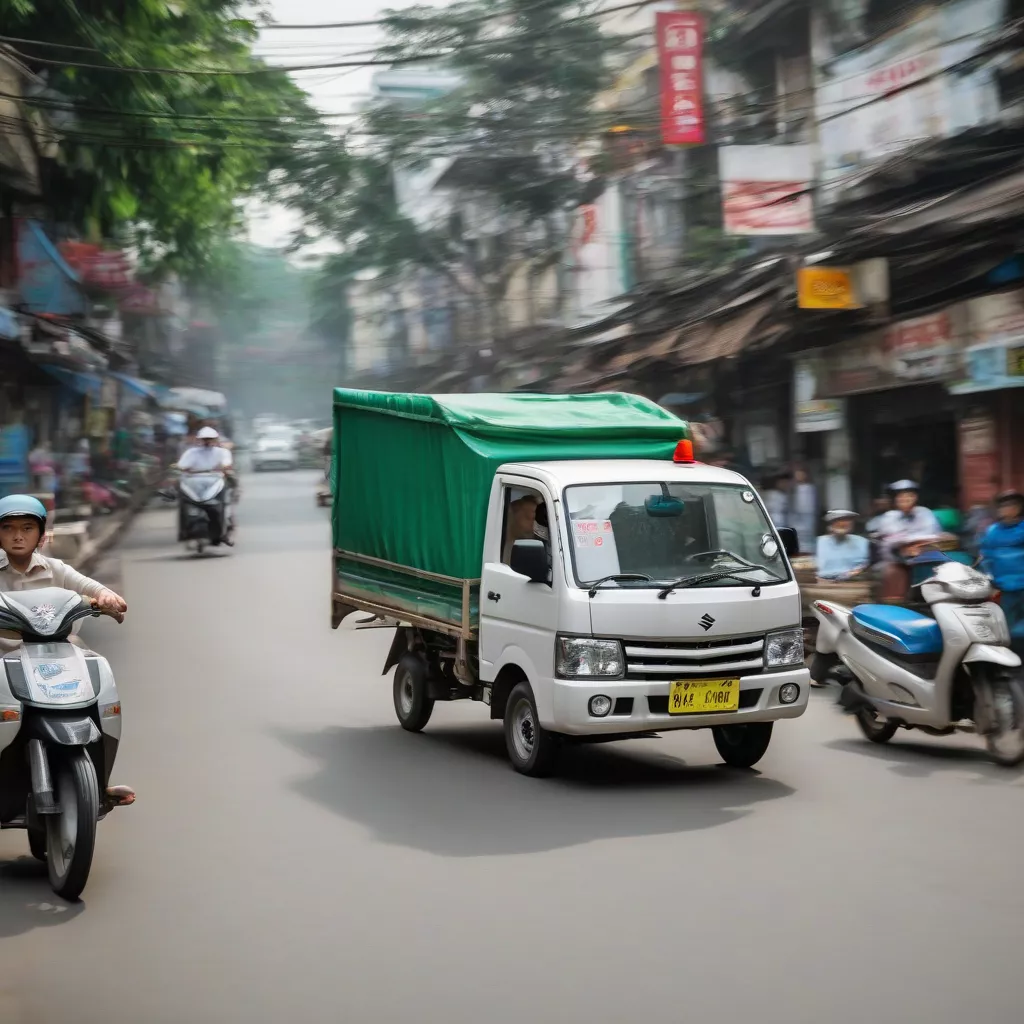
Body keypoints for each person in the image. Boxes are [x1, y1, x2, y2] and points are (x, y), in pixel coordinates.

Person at [0, 495, 134, 809]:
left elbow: (90, 586)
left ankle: (97, 780)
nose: (18, 535)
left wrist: (106, 596)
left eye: (27, 528)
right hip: (4, 655)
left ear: (41, 535)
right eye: (8, 528)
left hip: (54, 652)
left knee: (96, 676)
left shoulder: (55, 568)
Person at [874, 480, 943, 602]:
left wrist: (912, 542)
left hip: (924, 557)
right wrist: (905, 544)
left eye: (909, 495)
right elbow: (890, 540)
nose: (905, 498)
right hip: (897, 559)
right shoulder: (889, 516)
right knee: (892, 573)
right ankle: (896, 606)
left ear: (915, 497)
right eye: (901, 496)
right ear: (895, 499)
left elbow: (933, 536)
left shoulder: (925, 513)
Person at [980, 489, 1024, 656]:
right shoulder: (993, 532)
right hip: (1005, 587)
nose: (1008, 508)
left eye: (1013, 504)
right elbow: (986, 557)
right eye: (1004, 505)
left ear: (1020, 507)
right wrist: (990, 577)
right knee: (1007, 626)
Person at [177, 426, 235, 544]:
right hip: (194, 481)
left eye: (210, 439)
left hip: (216, 481)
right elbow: (182, 465)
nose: (207, 441)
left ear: (215, 440)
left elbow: (226, 464)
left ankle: (224, 529)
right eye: (204, 439)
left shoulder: (222, 452)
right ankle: (184, 530)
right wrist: (183, 468)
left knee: (224, 501)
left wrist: (223, 468)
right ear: (199, 440)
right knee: (181, 499)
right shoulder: (191, 452)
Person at [815, 510, 870, 582]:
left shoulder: (862, 542)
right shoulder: (817, 542)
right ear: (830, 524)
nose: (842, 523)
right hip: (820, 583)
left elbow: (868, 564)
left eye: (847, 520)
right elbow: (807, 566)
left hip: (853, 582)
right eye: (838, 520)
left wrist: (858, 571)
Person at [503, 494, 538, 563]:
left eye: (535, 520)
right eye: (528, 518)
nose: (533, 526)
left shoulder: (534, 551)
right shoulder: (496, 549)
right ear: (512, 517)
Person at [791, 466, 818, 554]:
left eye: (801, 473)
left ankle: (809, 551)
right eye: (797, 474)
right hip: (796, 516)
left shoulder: (810, 488)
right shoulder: (793, 488)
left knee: (808, 534)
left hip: (808, 515)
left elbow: (814, 504)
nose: (798, 476)